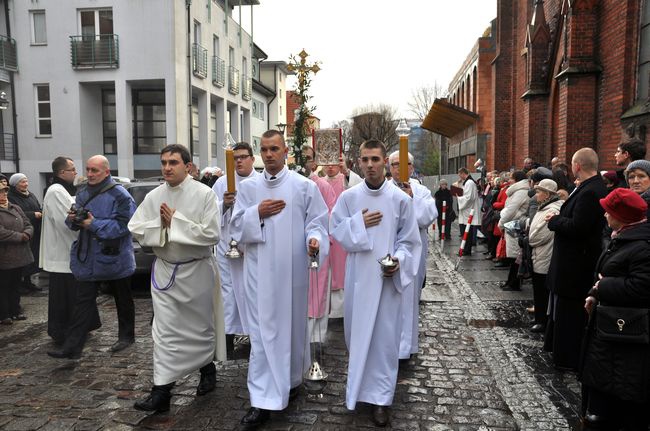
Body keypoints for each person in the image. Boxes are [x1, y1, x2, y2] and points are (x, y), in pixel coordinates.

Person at [230, 130, 329, 428]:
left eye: (275, 149)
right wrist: (256, 213)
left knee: (291, 330)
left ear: (286, 151)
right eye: (264, 150)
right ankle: (261, 401)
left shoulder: (303, 186)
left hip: (292, 273)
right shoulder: (248, 189)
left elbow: (318, 222)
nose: (269, 154)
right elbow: (235, 227)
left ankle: (290, 381)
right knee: (261, 338)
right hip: (258, 275)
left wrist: (314, 240)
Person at [331, 140, 421, 426]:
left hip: (385, 283)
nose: (370, 165)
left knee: (384, 343)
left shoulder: (400, 200)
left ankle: (381, 400)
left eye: (375, 159)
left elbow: (410, 242)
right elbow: (335, 230)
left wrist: (399, 262)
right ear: (358, 162)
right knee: (357, 340)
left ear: (385, 162)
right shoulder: (348, 198)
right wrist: (359, 223)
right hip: (358, 280)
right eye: (365, 159)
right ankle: (357, 392)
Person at [129, 144, 225, 412]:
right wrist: (161, 225)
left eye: (173, 162)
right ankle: (161, 392)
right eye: (164, 162)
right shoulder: (154, 195)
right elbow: (135, 226)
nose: (167, 167)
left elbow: (212, 234)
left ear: (188, 166)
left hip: (196, 272)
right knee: (164, 332)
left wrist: (177, 222)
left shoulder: (204, 194)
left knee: (198, 330)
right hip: (165, 271)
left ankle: (207, 369)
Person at [47, 155, 136, 360]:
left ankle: (126, 336)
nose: (89, 174)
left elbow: (125, 226)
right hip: (88, 258)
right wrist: (72, 220)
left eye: (94, 170)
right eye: (87, 169)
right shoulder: (83, 192)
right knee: (83, 302)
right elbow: (76, 220)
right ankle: (72, 347)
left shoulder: (121, 195)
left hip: (115, 258)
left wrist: (92, 224)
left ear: (106, 172)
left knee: (123, 299)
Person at [580, 188, 650, 430]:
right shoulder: (622, 236)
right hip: (610, 329)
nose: (605, 215)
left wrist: (604, 285)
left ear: (621, 216)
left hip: (626, 332)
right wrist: (595, 293)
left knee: (623, 395)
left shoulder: (641, 245)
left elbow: (641, 287)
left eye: (608, 211)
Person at [543, 148, 608, 371]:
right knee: (564, 313)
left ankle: (567, 358)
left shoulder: (591, 191)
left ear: (577, 166)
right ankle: (561, 353)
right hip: (571, 264)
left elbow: (579, 227)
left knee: (570, 316)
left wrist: (555, 221)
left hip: (575, 266)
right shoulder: (587, 187)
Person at [388, 150, 436, 361]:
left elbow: (426, 217)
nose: (400, 168)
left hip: (414, 251)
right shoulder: (383, 189)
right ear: (389, 168)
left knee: (409, 297)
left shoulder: (422, 191)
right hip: (390, 249)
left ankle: (406, 346)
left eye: (405, 164)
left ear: (412, 167)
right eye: (396, 164)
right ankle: (388, 344)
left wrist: (411, 199)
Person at [212, 142, 259, 354]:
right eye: (234, 158)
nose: (238, 161)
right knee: (227, 293)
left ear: (252, 159)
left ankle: (254, 337)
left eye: (242, 157)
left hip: (250, 248)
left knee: (252, 292)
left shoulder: (260, 183)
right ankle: (227, 339)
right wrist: (225, 205)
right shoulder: (221, 183)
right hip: (225, 247)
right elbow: (210, 214)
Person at [40, 157, 81, 344]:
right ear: (61, 173)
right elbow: (66, 220)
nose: (75, 173)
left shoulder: (63, 189)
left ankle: (76, 328)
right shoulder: (56, 191)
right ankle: (62, 331)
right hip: (62, 253)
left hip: (68, 253)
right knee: (63, 298)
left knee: (72, 295)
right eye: (72, 169)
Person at [303, 146, 336, 344]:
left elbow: (331, 212)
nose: (304, 161)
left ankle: (317, 336)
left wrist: (318, 235)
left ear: (314, 163)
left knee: (317, 291)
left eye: (308, 158)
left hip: (315, 245)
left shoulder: (321, 185)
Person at [323, 156, 362, 319]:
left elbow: (359, 189)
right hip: (324, 229)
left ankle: (340, 309)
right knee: (325, 268)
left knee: (341, 268)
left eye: (334, 164)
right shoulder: (319, 181)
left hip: (341, 229)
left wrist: (346, 172)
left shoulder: (346, 180)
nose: (330, 167)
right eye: (327, 163)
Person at [527, 179, 563, 333]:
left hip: (544, 256)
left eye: (539, 192)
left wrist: (528, 239)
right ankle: (540, 318)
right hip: (539, 255)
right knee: (539, 289)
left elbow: (538, 236)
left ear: (547, 194)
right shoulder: (544, 208)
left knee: (542, 291)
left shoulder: (552, 210)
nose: (536, 195)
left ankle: (542, 321)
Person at [0, 182, 33, 324]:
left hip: (20, 254)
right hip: (5, 256)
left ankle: (15, 311)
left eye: (5, 192)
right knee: (4, 286)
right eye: (0, 193)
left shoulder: (15, 207)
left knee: (15, 284)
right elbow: (1, 232)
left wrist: (27, 233)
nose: (3, 195)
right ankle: (4, 314)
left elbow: (28, 223)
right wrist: (20, 237)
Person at [8, 173, 43, 292]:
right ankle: (20, 284)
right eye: (22, 182)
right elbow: (16, 213)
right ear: (14, 184)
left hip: (35, 230)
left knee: (32, 256)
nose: (26, 184)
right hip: (22, 231)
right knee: (22, 257)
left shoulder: (30, 195)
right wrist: (33, 215)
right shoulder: (11, 196)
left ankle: (28, 281)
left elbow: (38, 206)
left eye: (26, 181)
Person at [497, 171, 529, 291]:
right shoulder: (518, 190)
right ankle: (511, 281)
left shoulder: (521, 192)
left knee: (515, 256)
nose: (509, 180)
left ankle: (514, 283)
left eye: (511, 178)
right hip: (513, 224)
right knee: (514, 256)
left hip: (515, 225)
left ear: (516, 179)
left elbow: (511, 209)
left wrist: (501, 223)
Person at [456, 167, 481, 255]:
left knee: (467, 232)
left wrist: (459, 198)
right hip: (466, 210)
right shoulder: (467, 182)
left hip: (468, 210)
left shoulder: (469, 183)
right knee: (465, 231)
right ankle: (465, 249)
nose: (459, 177)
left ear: (463, 173)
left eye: (460, 175)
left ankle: (467, 250)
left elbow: (469, 198)